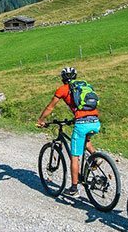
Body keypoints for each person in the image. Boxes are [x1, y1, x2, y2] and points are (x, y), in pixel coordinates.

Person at [35, 67, 101, 197]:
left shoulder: (63, 89)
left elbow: (50, 106)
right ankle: (96, 157)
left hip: (82, 123)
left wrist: (41, 119)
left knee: (74, 156)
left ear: (62, 78)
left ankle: (74, 188)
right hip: (95, 121)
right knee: (85, 141)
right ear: (75, 76)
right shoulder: (85, 85)